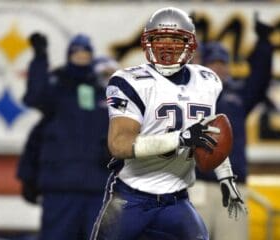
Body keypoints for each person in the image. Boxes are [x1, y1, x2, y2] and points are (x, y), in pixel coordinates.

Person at [90, 7, 246, 240]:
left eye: (175, 39)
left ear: (191, 45)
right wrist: (180, 139)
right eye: (159, 39)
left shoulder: (207, 81)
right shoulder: (130, 81)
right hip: (132, 197)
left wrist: (226, 179)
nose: (167, 47)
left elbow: (211, 137)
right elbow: (119, 144)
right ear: (147, 42)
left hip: (176, 199)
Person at [17, 32, 115, 240]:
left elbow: (122, 140)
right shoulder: (56, 91)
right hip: (60, 187)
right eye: (76, 52)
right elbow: (35, 99)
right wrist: (40, 58)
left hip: (97, 187)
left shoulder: (103, 96)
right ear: (69, 54)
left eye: (85, 53)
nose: (81, 57)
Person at [189, 15, 273, 240]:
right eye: (213, 63)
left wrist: (264, 44)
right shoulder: (188, 93)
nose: (219, 68)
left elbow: (261, 79)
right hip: (197, 183)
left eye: (223, 63)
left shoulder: (238, 96)